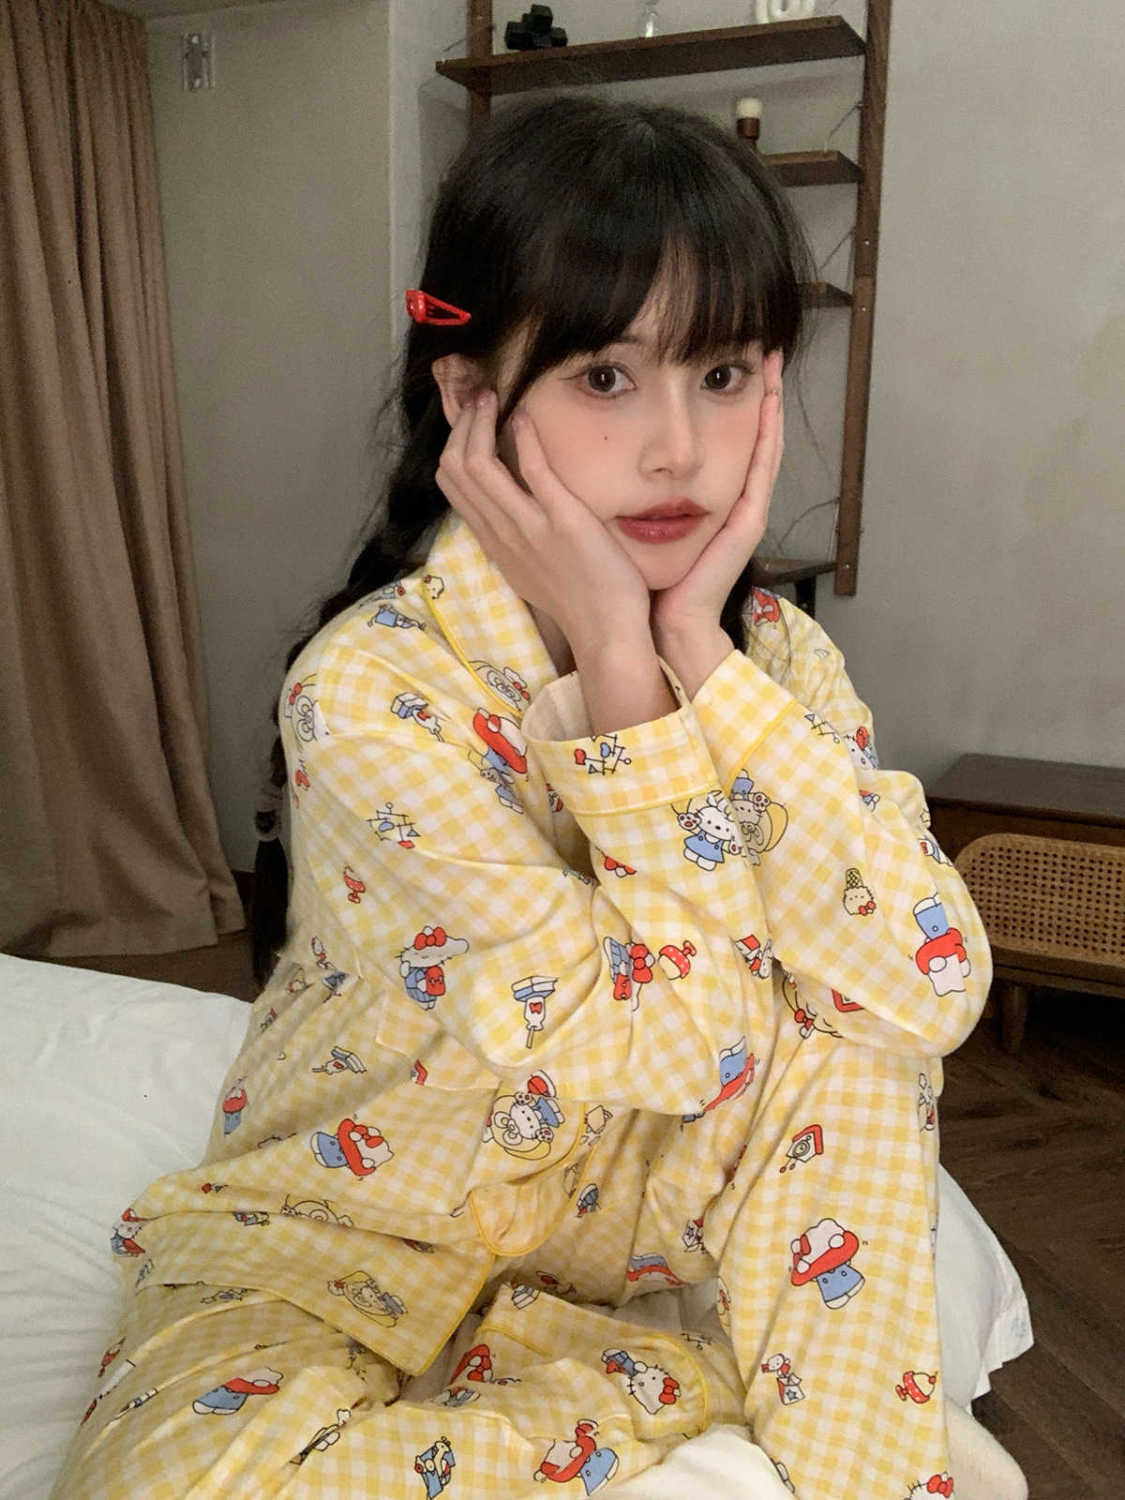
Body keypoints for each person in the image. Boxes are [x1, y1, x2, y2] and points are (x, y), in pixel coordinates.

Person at [54, 94, 989, 1500]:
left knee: (858, 1027)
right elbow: (680, 1040)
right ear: (470, 398)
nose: (678, 449)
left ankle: (850, 1463)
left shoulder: (776, 666)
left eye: (724, 374)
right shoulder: (368, 691)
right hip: (353, 1233)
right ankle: (660, 1379)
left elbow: (929, 987)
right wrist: (615, 660)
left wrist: (679, 655)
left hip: (637, 1221)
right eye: (606, 377)